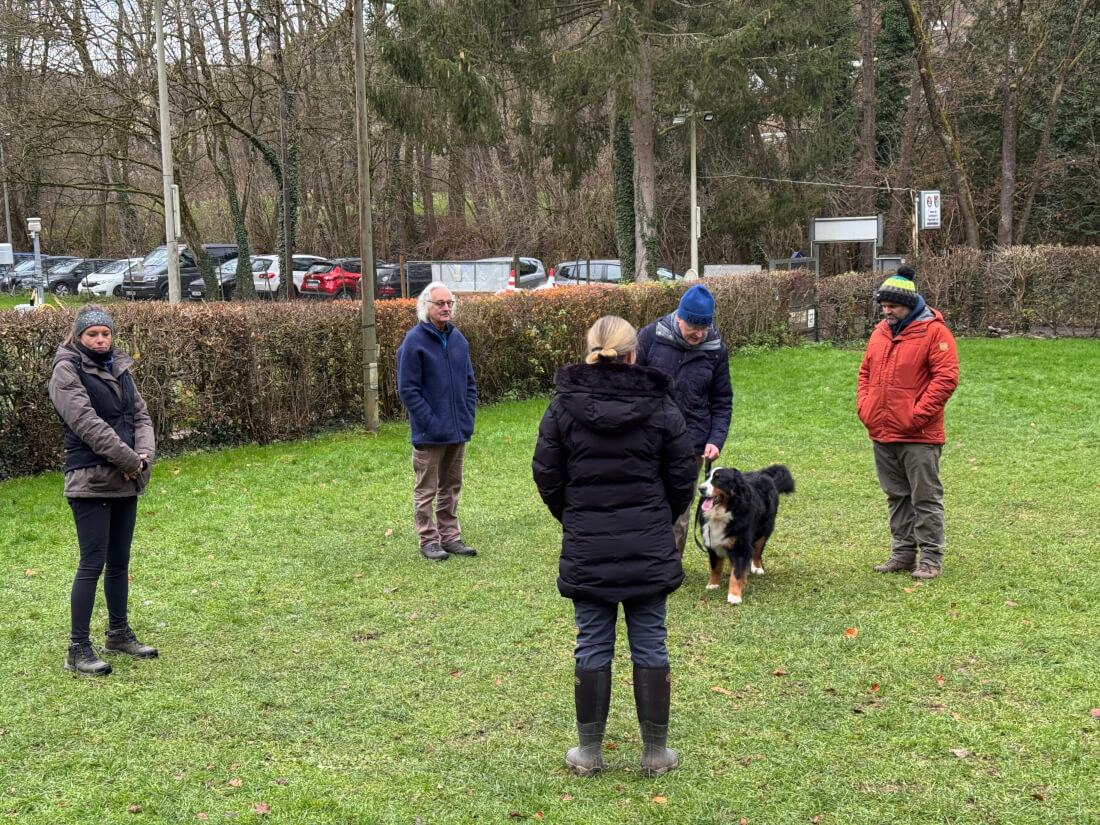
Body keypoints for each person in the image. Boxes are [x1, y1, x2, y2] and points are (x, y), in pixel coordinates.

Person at [532, 315, 698, 778]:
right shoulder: (661, 405)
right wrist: (655, 519)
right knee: (650, 642)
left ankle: (589, 753)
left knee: (592, 644)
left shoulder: (563, 406)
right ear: (632, 354)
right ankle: (654, 753)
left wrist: (576, 517)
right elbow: (682, 475)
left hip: (589, 543)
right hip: (646, 541)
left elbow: (546, 473)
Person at [48, 304, 158, 676]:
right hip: (90, 479)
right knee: (91, 563)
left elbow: (140, 415)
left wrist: (143, 455)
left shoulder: (120, 368)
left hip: (126, 478)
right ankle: (77, 649)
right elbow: (86, 424)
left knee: (120, 562)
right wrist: (130, 461)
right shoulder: (66, 370)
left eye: (105, 333)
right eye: (92, 334)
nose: (99, 339)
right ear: (78, 337)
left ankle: (118, 633)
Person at [857, 266, 959, 580]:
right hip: (882, 430)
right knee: (897, 495)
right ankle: (902, 553)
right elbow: (865, 374)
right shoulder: (880, 332)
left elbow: (946, 379)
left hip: (919, 435)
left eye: (892, 306)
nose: (886, 310)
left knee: (924, 496)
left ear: (909, 304)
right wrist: (866, 408)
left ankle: (930, 558)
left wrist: (916, 415)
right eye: (883, 306)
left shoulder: (935, 332)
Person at [635, 284, 733, 553]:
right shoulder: (650, 337)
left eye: (704, 329)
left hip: (691, 444)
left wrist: (716, 438)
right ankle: (643, 559)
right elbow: (629, 386)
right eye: (693, 328)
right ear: (679, 317)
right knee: (646, 502)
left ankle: (669, 564)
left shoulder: (715, 347)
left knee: (679, 507)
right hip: (649, 440)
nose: (699, 335)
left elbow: (722, 400)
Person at [397, 282, 478, 561]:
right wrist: (430, 422)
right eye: (440, 303)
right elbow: (408, 390)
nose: (446, 308)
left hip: (457, 431)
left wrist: (467, 416)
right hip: (429, 434)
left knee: (451, 488)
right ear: (426, 307)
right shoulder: (413, 342)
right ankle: (428, 540)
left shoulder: (459, 340)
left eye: (449, 303)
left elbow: (469, 383)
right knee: (426, 490)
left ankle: (450, 537)